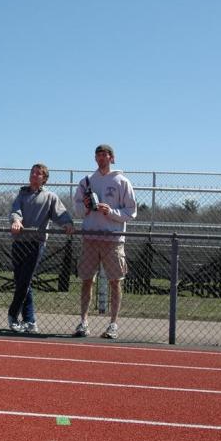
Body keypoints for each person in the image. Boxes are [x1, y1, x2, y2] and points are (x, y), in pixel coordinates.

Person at [72, 144, 137, 339]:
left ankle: (113, 324)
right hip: (90, 237)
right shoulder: (86, 181)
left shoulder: (122, 181)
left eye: (105, 155)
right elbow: (77, 209)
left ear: (112, 158)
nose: (101, 158)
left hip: (113, 239)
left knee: (115, 281)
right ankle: (83, 322)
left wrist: (111, 212)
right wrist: (85, 207)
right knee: (86, 280)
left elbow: (131, 211)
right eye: (98, 155)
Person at [8, 163, 74, 333]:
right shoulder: (22, 194)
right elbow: (15, 211)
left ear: (44, 178)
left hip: (36, 244)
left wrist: (67, 223)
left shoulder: (50, 197)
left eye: (38, 173)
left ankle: (13, 316)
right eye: (32, 172)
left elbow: (60, 214)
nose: (34, 175)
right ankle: (30, 321)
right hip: (19, 243)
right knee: (22, 282)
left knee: (24, 282)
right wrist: (16, 221)